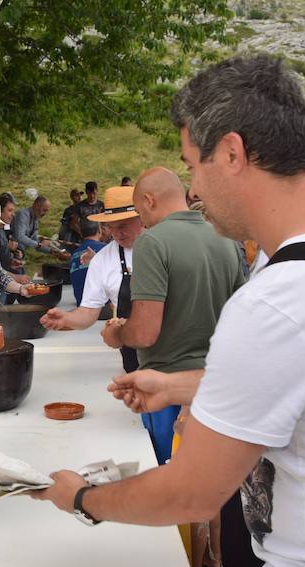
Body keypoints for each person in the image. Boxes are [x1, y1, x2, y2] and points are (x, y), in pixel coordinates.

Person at [34, 54, 305, 567]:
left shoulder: (281, 298)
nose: (193, 189)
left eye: (193, 165)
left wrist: (80, 497)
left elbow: (192, 494)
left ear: (231, 153)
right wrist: (180, 386)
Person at [101, 168, 245, 466]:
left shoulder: (153, 242)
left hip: (165, 388)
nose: (142, 221)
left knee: (171, 478)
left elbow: (144, 333)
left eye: (140, 212)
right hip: (215, 386)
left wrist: (117, 334)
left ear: (150, 201)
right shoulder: (226, 241)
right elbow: (241, 322)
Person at [42, 186, 144, 372]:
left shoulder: (166, 248)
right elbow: (88, 312)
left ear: (142, 218)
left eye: (122, 226)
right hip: (133, 355)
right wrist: (67, 319)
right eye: (110, 228)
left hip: (174, 351)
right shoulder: (103, 260)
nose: (116, 234)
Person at [68, 217, 106, 306]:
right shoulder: (106, 249)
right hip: (103, 307)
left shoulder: (74, 254)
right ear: (99, 230)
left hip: (81, 306)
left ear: (81, 233)